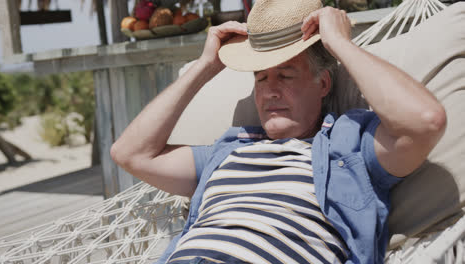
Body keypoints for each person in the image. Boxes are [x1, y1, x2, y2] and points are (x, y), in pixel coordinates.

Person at [110, 0, 447, 263]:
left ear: (323, 83)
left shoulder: (349, 147)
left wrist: (341, 45)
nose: (269, 91)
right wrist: (205, 66)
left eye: (285, 76)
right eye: (260, 78)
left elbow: (425, 121)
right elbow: (130, 154)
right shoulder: (228, 150)